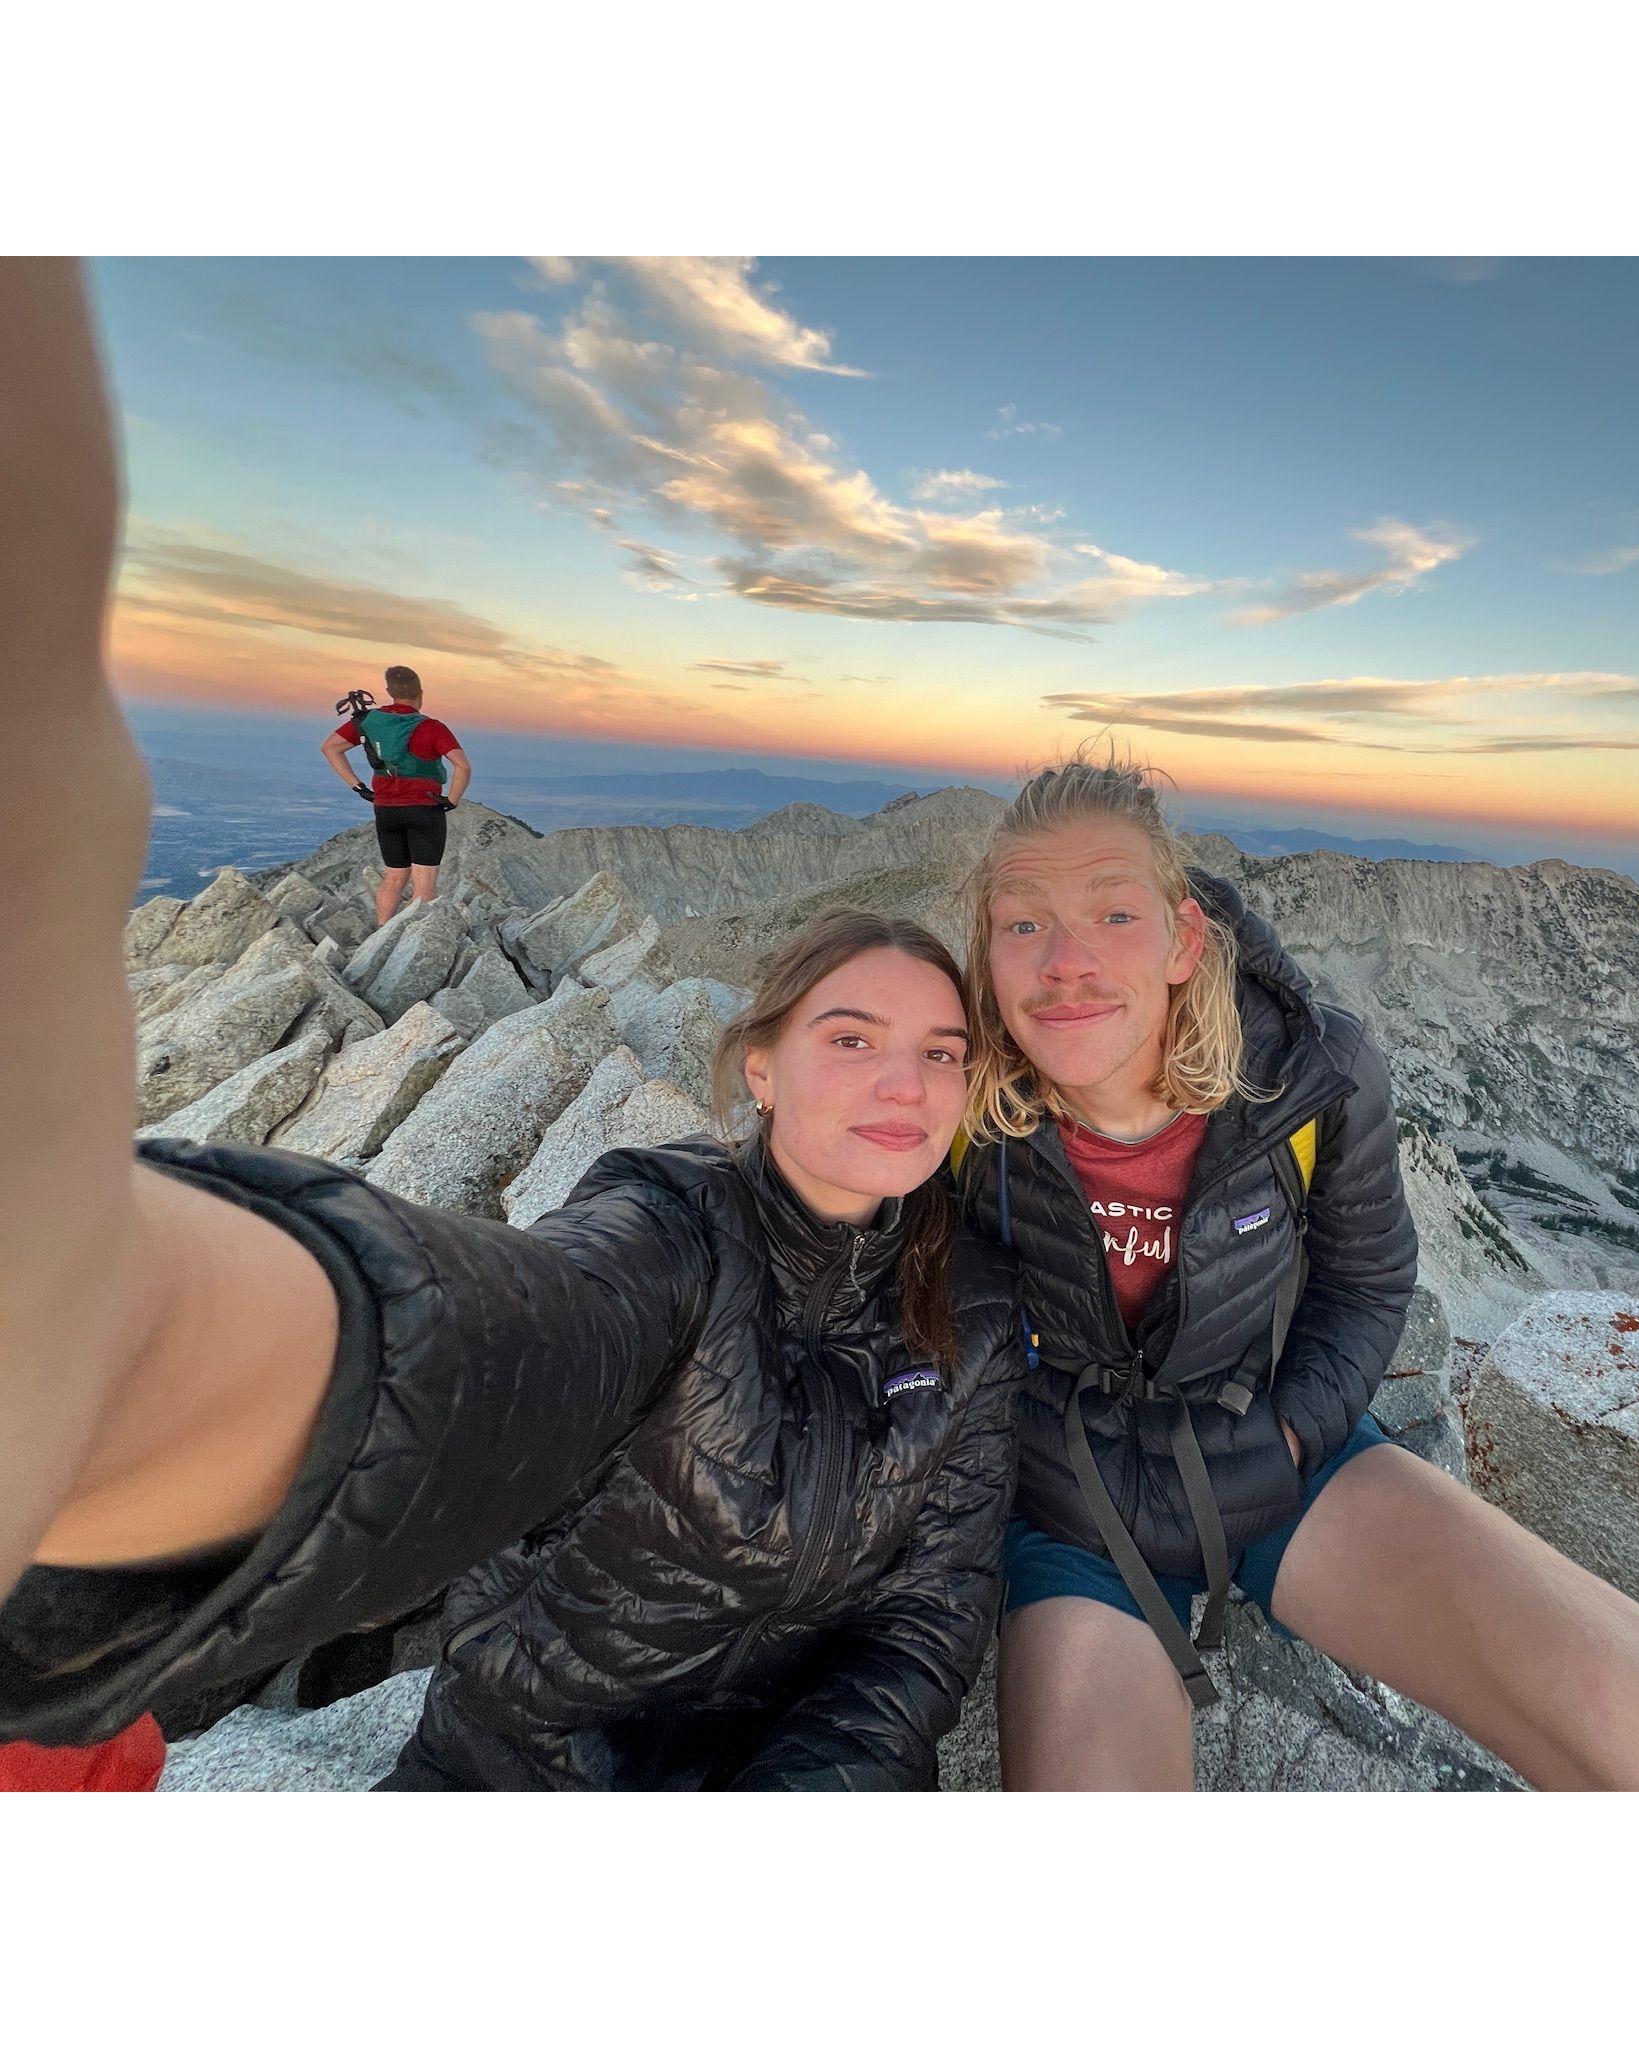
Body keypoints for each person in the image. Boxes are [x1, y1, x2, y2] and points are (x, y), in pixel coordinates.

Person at [0, 262, 1023, 1792]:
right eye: (852, 1037)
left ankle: (407, 931)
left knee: (406, 879)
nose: (905, 1080)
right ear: (754, 1064)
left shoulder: (975, 1302)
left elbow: (930, 1619)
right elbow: (483, 1353)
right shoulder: (670, 1232)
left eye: (942, 1052)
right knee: (413, 881)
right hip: (522, 1777)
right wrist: (114, 1332)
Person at [953, 747, 1639, 1791]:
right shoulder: (950, 1107)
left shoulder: (1307, 1078)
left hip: (1276, 1463)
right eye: (1022, 921)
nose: (1064, 958)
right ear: (985, 954)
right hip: (1071, 1517)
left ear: (1182, 938)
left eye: (1113, 912)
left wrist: (1292, 1429)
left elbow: (1364, 1276)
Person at [321, 665, 470, 926]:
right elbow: (462, 766)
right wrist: (452, 800)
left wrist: (357, 787)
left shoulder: (369, 722)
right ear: (420, 693)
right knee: (424, 889)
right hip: (424, 809)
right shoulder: (432, 727)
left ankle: (382, 936)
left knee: (394, 878)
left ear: (389, 692)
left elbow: (331, 748)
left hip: (386, 809)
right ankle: (417, 944)